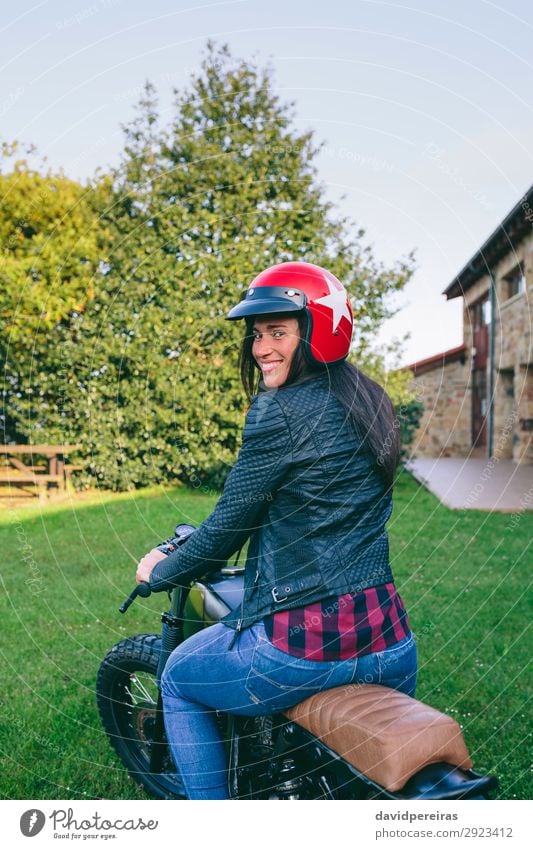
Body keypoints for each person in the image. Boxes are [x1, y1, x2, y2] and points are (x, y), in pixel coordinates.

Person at [136, 261, 417, 800]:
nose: (261, 348)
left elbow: (224, 527)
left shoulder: (280, 410)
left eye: (278, 332)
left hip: (304, 648)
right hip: (391, 640)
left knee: (176, 678)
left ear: (318, 330)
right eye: (257, 334)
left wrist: (161, 569)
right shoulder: (371, 399)